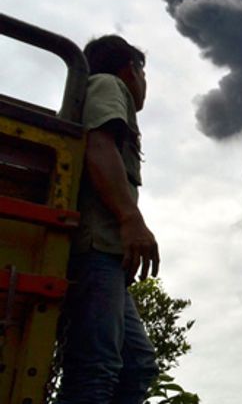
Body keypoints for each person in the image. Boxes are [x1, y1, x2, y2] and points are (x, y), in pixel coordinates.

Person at [57, 35, 160, 404]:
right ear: (132, 69)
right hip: (94, 247)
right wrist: (131, 219)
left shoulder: (100, 89)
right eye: (144, 74)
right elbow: (99, 145)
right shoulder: (107, 84)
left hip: (107, 255)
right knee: (95, 369)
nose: (145, 85)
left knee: (137, 365)